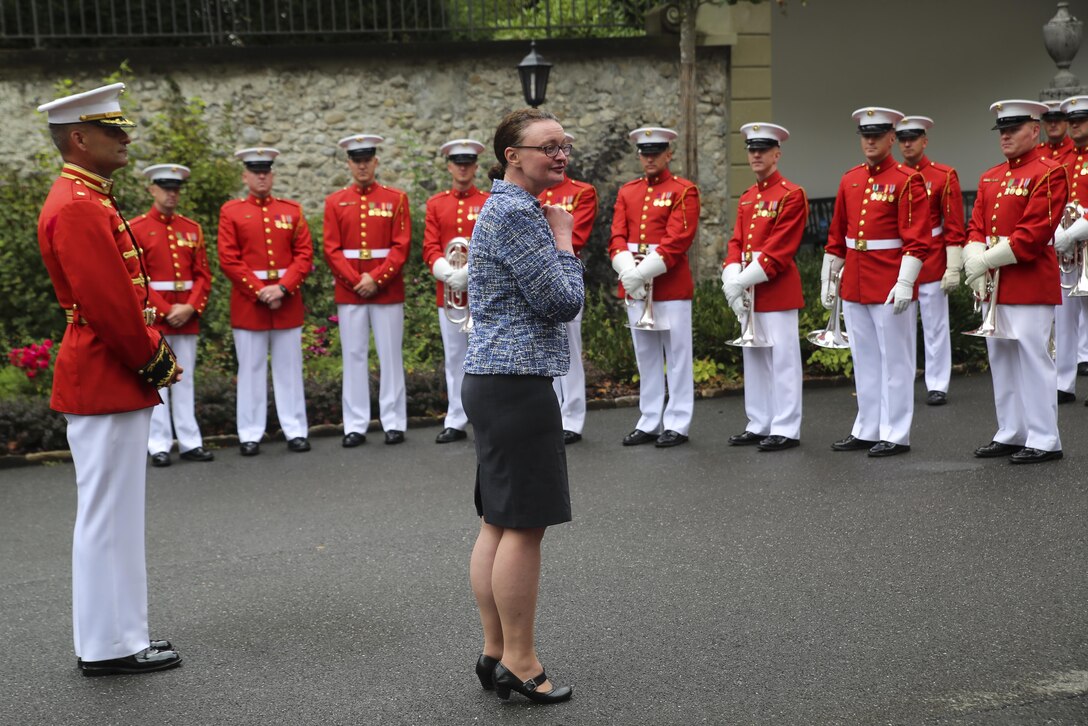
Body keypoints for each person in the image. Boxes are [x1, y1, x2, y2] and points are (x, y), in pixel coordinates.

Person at [36, 82, 183, 676]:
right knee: (105, 515)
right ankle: (104, 644)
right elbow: (108, 305)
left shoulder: (87, 195)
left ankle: (124, 634)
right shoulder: (76, 203)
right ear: (79, 138)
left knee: (118, 515)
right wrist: (154, 358)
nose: (125, 138)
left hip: (108, 372)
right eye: (112, 130)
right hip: (104, 370)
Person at [463, 108, 583, 705]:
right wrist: (564, 238)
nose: (560, 155)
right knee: (524, 526)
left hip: (494, 381)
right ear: (512, 154)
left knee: (499, 522)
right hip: (515, 384)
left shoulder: (506, 209)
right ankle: (521, 660)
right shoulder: (518, 213)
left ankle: (495, 651)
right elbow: (562, 301)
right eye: (547, 147)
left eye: (564, 145)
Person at [964, 100, 1068, 463]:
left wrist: (984, 261)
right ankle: (1011, 430)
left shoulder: (1049, 172)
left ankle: (1044, 437)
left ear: (1034, 130)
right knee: (1002, 359)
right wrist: (972, 258)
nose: (1005, 136)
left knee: (1033, 357)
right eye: (1001, 130)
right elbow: (976, 224)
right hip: (997, 284)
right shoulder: (991, 176)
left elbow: (1033, 234)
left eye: (1013, 129)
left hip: (1029, 280)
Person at [823, 107, 929, 457]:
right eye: (865, 134)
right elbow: (837, 236)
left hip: (888, 281)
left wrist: (905, 282)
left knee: (896, 361)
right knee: (865, 359)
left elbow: (917, 239)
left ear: (891, 138)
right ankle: (867, 427)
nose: (869, 140)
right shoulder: (849, 179)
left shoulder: (906, 180)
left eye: (877, 134)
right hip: (854, 280)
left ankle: (896, 432)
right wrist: (829, 279)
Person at [609, 126, 700, 448]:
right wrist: (627, 270)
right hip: (635, 284)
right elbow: (617, 236)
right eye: (644, 153)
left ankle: (677, 421)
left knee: (677, 357)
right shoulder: (628, 191)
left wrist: (641, 272)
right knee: (645, 357)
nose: (649, 158)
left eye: (655, 153)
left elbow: (677, 242)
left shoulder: (683, 190)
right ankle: (649, 419)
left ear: (668, 154)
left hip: (670, 285)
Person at [218, 148, 313, 455]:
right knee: (251, 370)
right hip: (250, 303)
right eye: (255, 171)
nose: (261, 176)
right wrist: (260, 290)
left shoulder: (292, 211)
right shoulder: (231, 212)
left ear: (272, 175)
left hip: (286, 302)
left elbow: (304, 255)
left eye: (266, 171)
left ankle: (295, 429)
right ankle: (249, 433)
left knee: (289, 370)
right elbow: (229, 258)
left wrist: (282, 288)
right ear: (245, 176)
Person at [721, 122, 806, 451]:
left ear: (777, 153)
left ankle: (785, 427)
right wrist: (731, 276)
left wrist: (741, 280)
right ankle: (759, 422)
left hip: (776, 287)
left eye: (762, 149)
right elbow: (736, 242)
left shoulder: (790, 194)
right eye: (751, 149)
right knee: (754, 359)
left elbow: (779, 250)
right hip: (747, 286)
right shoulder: (747, 198)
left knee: (783, 360)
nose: (755, 155)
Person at [323, 134, 410, 446]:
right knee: (354, 355)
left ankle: (394, 421)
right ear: (349, 164)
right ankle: (355, 424)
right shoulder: (335, 202)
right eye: (356, 161)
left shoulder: (396, 199)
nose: (362, 166)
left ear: (375, 161)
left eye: (366, 160)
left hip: (385, 289)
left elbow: (401, 247)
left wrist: (376, 278)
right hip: (351, 291)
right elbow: (331, 249)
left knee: (390, 355)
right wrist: (356, 280)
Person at [130, 163, 214, 466]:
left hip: (187, 314)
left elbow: (203, 275)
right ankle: (159, 443)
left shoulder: (191, 229)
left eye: (176, 189)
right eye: (166, 188)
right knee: (159, 378)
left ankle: (190, 441)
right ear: (152, 189)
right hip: (157, 316)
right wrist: (166, 310)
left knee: (186, 379)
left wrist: (191, 307)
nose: (171, 194)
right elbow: (137, 278)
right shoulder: (137, 229)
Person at [895, 116, 966, 406]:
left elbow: (953, 223)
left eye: (913, 138)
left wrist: (953, 265)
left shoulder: (942, 175)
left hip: (933, 258)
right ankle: (901, 381)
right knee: (900, 326)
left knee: (936, 325)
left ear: (925, 141)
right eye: (902, 139)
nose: (907, 143)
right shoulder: (893, 176)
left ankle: (937, 384)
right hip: (899, 260)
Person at [422, 138, 489, 444]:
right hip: (449, 295)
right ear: (449, 166)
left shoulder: (488, 201)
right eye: (457, 163)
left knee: (486, 358)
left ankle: (486, 418)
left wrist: (470, 273)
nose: (463, 169)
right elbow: (430, 247)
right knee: (454, 358)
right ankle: (456, 419)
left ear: (475, 167)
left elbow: (492, 244)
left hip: (483, 295)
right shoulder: (437, 204)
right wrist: (449, 275)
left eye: (468, 163)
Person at [538, 132, 598, 445]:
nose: (555, 156)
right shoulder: (531, 192)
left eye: (560, 150)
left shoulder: (581, 192)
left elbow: (577, 237)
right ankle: (550, 416)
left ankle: (572, 418)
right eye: (549, 149)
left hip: (563, 274)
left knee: (570, 349)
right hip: (536, 277)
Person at [1053, 96, 1088, 405]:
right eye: (1072, 119)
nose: (1075, 124)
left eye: (1082, 118)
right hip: (1068, 252)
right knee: (1063, 316)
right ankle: (1064, 383)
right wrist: (1058, 231)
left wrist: (1079, 228)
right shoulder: (1064, 159)